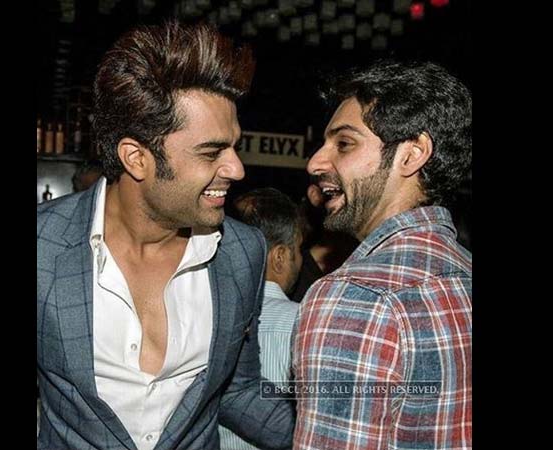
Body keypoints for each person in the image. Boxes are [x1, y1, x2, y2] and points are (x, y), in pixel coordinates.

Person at [37, 22, 294, 450]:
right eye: (211, 152)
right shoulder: (43, 246)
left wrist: (336, 433)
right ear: (136, 158)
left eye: (234, 146)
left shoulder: (241, 252)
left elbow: (236, 391)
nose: (236, 169)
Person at [292, 60, 472, 450]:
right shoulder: (464, 272)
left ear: (412, 154)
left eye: (344, 143)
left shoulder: (355, 295)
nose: (315, 162)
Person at [220, 188, 303, 449]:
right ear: (280, 257)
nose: (301, 260)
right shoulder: (306, 322)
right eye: (299, 249)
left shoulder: (210, 316)